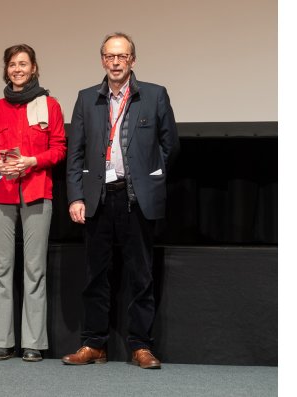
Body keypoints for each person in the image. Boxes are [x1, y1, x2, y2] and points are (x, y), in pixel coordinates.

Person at [62, 32, 180, 369]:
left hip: (136, 199)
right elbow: (76, 153)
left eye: (122, 56)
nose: (116, 62)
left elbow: (170, 146)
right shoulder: (87, 99)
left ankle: (141, 346)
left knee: (141, 276)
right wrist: (76, 196)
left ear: (132, 60)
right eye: (110, 56)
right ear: (102, 60)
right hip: (98, 199)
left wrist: (149, 179)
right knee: (95, 277)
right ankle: (93, 344)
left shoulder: (154, 95)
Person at [0, 44, 66, 362]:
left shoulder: (50, 105)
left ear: (33, 68)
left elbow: (58, 149)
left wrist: (32, 160)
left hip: (37, 191)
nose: (18, 69)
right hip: (0, 194)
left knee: (34, 269)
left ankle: (33, 342)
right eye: (12, 64)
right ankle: (1, 340)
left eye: (23, 64)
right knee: (1, 269)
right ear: (6, 69)